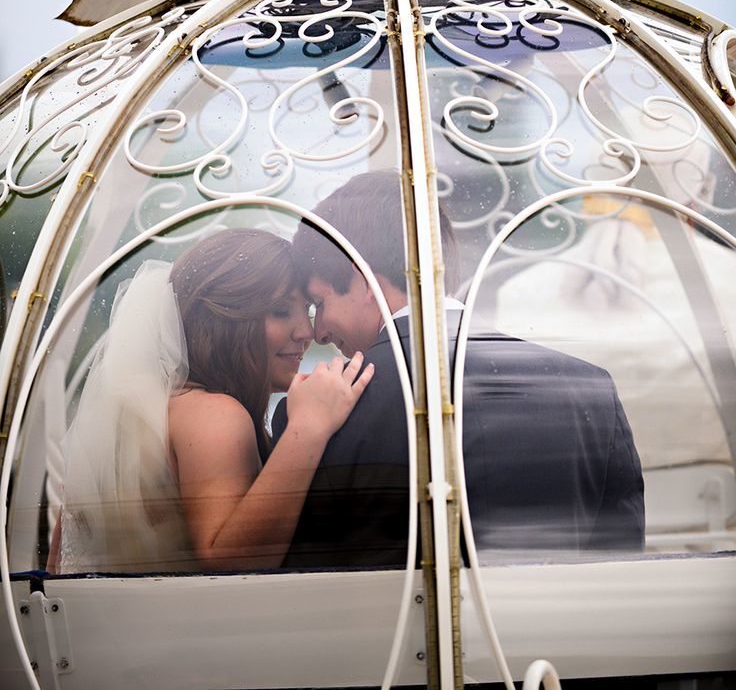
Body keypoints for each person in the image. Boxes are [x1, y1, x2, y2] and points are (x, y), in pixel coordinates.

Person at [272, 171, 645, 568]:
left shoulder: (315, 415)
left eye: (320, 302)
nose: (320, 332)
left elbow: (300, 581)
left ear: (366, 282)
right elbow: (618, 568)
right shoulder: (589, 390)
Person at [50, 228, 373, 574]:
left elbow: (57, 561)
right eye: (281, 311)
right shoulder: (215, 414)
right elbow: (228, 559)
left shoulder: (150, 413)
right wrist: (309, 429)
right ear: (224, 320)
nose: (306, 332)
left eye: (307, 310)